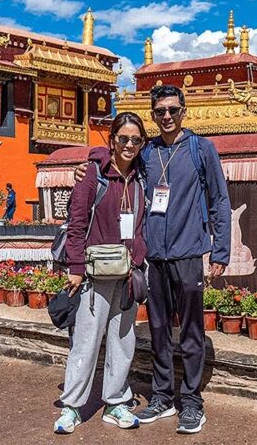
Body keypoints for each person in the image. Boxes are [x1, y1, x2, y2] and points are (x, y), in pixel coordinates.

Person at [75, 85, 231, 434]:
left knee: (190, 331)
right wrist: (88, 164)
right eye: (160, 111)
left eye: (173, 110)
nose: (167, 117)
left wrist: (220, 250)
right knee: (159, 329)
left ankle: (191, 401)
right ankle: (162, 396)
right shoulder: (148, 152)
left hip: (188, 252)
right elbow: (117, 155)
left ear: (183, 111)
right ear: (153, 114)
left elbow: (219, 201)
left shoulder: (201, 150)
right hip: (153, 257)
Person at [54, 112, 149, 435]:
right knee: (86, 341)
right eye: (123, 138)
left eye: (136, 140)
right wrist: (76, 268)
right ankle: (72, 406)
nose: (129, 145)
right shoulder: (92, 175)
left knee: (123, 341)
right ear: (112, 140)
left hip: (127, 273)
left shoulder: (141, 178)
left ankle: (115, 401)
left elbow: (142, 224)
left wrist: (139, 255)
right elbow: (77, 223)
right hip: (93, 276)